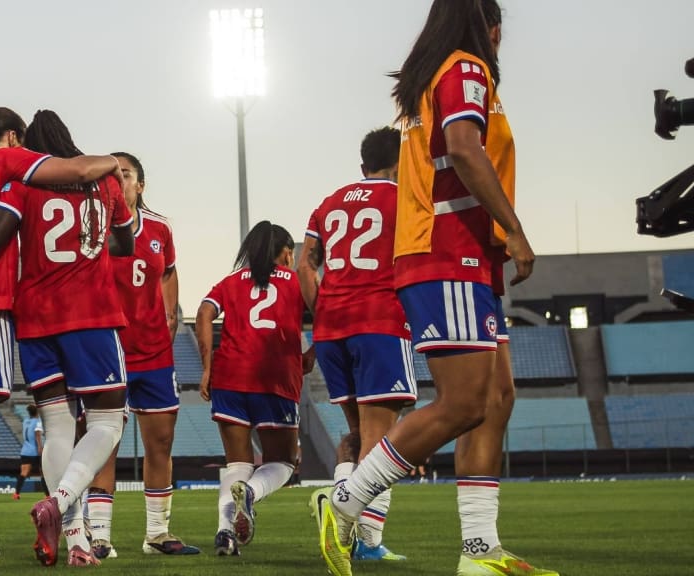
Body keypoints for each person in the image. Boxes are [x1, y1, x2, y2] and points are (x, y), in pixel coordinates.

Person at [309, 2, 557, 576]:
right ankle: (344, 502)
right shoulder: (466, 68)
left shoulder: (437, 74)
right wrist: (514, 230)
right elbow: (466, 149)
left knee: (496, 400)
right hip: (450, 252)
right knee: (464, 402)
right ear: (490, 27)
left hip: (457, 256)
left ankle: (479, 550)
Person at [0, 109, 134, 568]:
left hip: (32, 318)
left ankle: (77, 539)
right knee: (107, 423)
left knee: (57, 426)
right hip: (91, 313)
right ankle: (58, 505)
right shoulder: (98, 182)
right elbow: (126, 245)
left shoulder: (20, 188)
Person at [298, 126, 415, 562]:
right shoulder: (404, 197)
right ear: (401, 163)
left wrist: (323, 309)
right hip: (379, 321)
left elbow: (305, 267)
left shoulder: (327, 205)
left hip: (331, 329)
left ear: (362, 165)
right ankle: (363, 537)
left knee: (356, 433)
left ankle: (350, 526)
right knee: (384, 439)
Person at [84, 151, 199, 559]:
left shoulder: (160, 228)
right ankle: (99, 536)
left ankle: (157, 533)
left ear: (140, 185)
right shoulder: (91, 226)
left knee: (161, 442)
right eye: (110, 174)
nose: (117, 180)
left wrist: (172, 314)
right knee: (104, 444)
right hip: (108, 351)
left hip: (153, 352)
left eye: (125, 173)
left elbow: (168, 271)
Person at [196, 221, 312, 557]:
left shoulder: (231, 282)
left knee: (236, 464)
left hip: (230, 377)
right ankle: (250, 493)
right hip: (276, 377)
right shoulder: (295, 282)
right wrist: (313, 353)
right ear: (287, 253)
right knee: (285, 462)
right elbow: (327, 311)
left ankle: (224, 532)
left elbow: (204, 313)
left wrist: (206, 368)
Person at [14, 404, 47, 499]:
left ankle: (16, 493)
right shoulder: (38, 421)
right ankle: (47, 495)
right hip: (35, 451)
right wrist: (40, 447)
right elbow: (37, 433)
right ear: (37, 412)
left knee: (24, 472)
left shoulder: (25, 421)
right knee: (43, 473)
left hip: (25, 451)